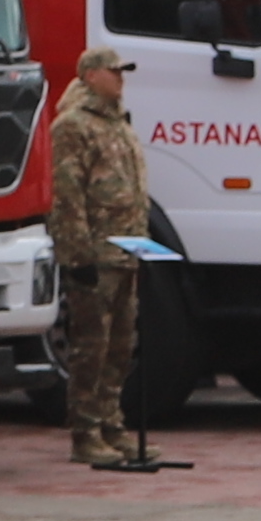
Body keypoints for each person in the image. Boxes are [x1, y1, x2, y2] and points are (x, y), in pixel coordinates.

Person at [46, 46, 159, 474]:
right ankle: (85, 432)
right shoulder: (73, 127)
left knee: (120, 345)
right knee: (91, 345)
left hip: (127, 250)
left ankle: (112, 425)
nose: (121, 78)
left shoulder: (119, 124)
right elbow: (67, 196)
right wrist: (77, 254)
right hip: (96, 252)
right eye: (113, 71)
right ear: (91, 76)